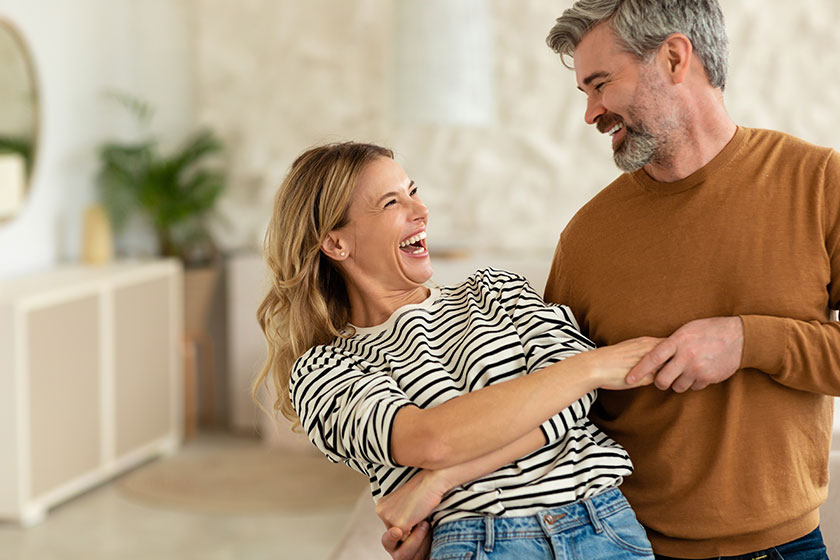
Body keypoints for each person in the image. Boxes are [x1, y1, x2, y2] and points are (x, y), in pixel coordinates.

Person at [384, 1, 839, 559]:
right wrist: (452, 509)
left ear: (674, 57)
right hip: (621, 545)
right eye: (585, 93)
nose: (591, 112)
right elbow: (553, 412)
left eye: (601, 84)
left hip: (786, 548)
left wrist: (748, 341)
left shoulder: (819, 183)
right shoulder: (587, 236)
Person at [255, 141, 661, 559]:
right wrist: (592, 367)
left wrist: (437, 482)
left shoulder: (496, 291)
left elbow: (576, 402)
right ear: (337, 243)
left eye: (414, 191)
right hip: (479, 544)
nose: (421, 211)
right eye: (391, 202)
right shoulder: (324, 370)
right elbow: (431, 440)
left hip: (603, 524)